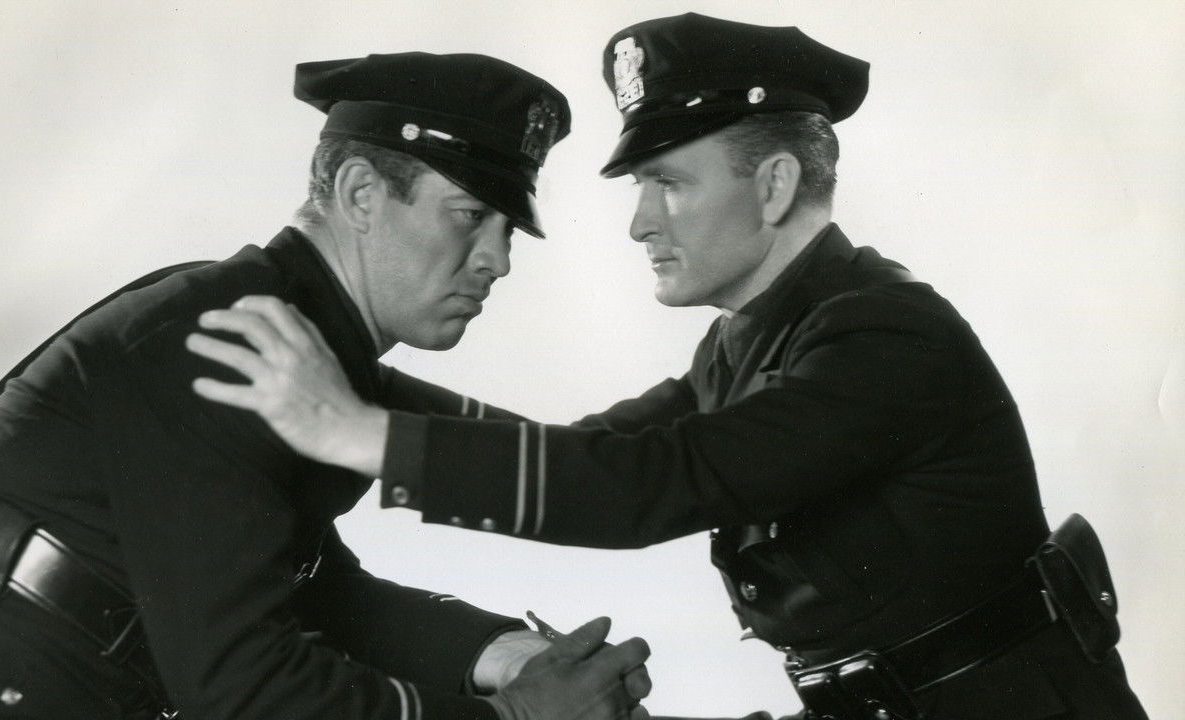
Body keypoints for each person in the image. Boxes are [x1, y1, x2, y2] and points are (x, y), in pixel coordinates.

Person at [184, 14, 1147, 720]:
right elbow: (583, 452)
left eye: (668, 183)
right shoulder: (752, 341)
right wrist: (356, 395)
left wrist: (357, 431)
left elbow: (649, 484)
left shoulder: (884, 338)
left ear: (774, 186)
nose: (640, 223)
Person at [0, 52, 653, 720]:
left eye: (508, 230)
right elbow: (244, 691)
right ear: (361, 194)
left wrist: (510, 655)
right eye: (470, 216)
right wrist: (518, 715)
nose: (497, 260)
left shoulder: (293, 341)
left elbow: (317, 589)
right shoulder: (229, 343)